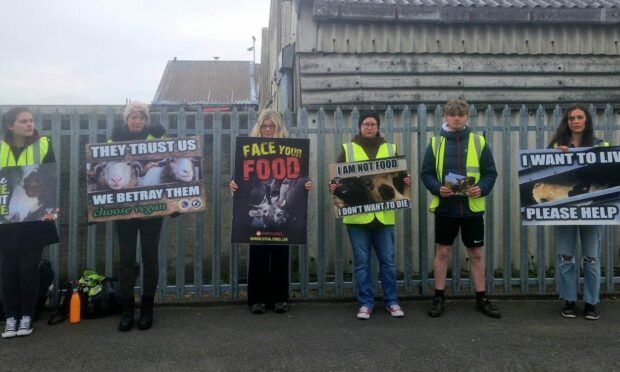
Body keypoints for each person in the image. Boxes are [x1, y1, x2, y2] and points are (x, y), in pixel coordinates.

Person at [420, 99, 500, 318]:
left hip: (472, 209)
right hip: (446, 208)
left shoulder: (479, 141)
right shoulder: (435, 143)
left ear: (467, 117)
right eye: (452, 114)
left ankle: (481, 298)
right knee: (443, 252)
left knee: (475, 253)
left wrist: (481, 189)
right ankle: (438, 297)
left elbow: (490, 173)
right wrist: (437, 188)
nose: (457, 118)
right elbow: (426, 173)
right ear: (445, 116)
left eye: (461, 114)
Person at [329, 109, 411, 320]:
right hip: (357, 217)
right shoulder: (348, 149)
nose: (369, 127)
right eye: (366, 124)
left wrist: (405, 182)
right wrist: (334, 187)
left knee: (388, 261)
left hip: (383, 217)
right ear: (359, 126)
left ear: (378, 126)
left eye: (373, 124)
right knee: (362, 262)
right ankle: (366, 303)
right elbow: (338, 180)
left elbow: (399, 179)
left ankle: (392, 301)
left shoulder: (390, 147)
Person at [229, 109, 311, 314]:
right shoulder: (249, 149)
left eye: (271, 126)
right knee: (258, 254)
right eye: (264, 126)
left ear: (278, 128)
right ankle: (257, 300)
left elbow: (299, 177)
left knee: (280, 254)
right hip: (260, 207)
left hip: (281, 209)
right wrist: (234, 185)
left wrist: (304, 186)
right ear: (259, 127)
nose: (267, 129)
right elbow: (242, 178)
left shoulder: (290, 148)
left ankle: (279, 299)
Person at [0, 107, 59, 338]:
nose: (29, 124)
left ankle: (27, 316)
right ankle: (10, 317)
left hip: (34, 220)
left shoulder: (43, 145)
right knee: (6, 270)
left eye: (31, 120)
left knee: (28, 269)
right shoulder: (1, 147)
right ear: (10, 125)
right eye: (23, 121)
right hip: (5, 220)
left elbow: (50, 179)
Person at [547, 104, 608, 320]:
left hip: (592, 207)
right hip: (565, 208)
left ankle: (591, 302)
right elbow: (545, 174)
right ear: (567, 121)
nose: (576, 121)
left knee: (591, 257)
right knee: (566, 257)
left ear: (587, 120)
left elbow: (608, 174)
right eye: (572, 117)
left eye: (580, 117)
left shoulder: (602, 145)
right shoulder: (556, 146)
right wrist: (556, 155)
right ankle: (569, 300)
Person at [111, 101, 167, 331]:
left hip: (152, 208)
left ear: (146, 119)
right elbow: (103, 167)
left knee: (150, 256)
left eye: (141, 117)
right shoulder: (114, 140)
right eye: (133, 117)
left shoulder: (157, 138)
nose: (137, 121)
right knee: (125, 258)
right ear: (126, 119)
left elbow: (169, 166)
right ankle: (127, 309)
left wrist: (173, 205)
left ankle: (147, 307)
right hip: (123, 209)